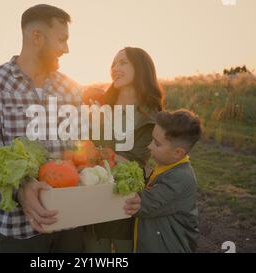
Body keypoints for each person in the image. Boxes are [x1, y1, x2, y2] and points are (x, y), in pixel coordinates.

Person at [0, 4, 141, 253]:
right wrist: (21, 188)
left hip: (70, 225)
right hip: (20, 229)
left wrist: (115, 186)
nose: (66, 49)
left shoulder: (69, 87)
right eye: (61, 40)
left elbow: (83, 152)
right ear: (36, 37)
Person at [82, 47, 165, 253]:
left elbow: (136, 164)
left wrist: (102, 154)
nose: (115, 68)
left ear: (141, 68)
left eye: (122, 62)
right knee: (94, 249)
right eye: (113, 64)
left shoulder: (150, 114)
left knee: (124, 247)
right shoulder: (100, 103)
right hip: (91, 189)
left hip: (124, 196)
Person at [134, 109, 201, 253]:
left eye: (157, 144)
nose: (149, 146)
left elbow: (139, 204)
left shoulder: (180, 179)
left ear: (178, 153)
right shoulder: (165, 167)